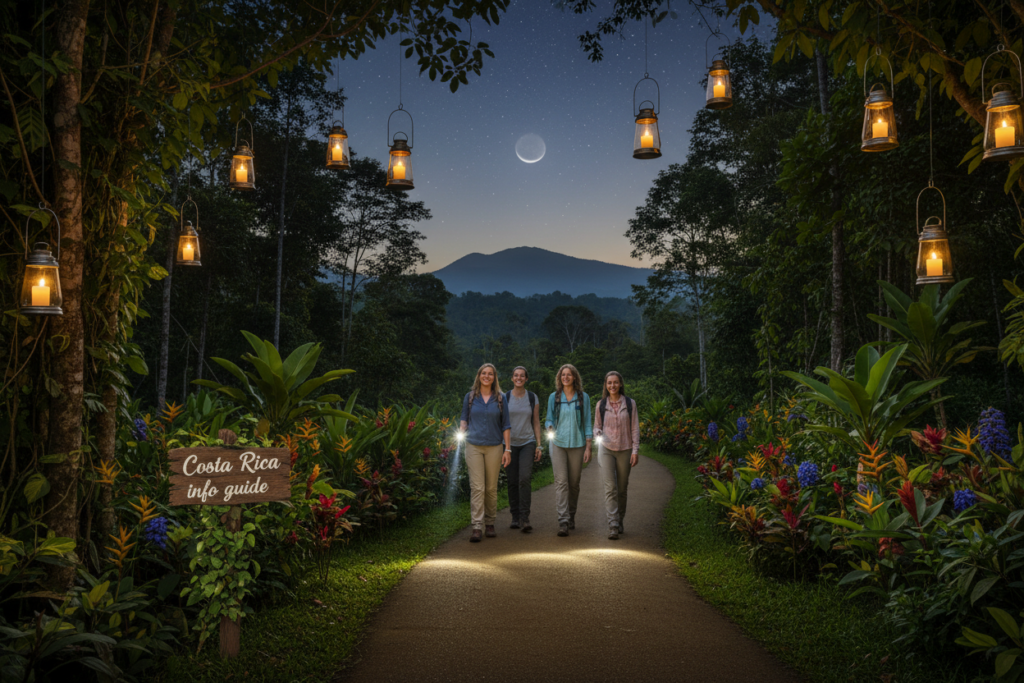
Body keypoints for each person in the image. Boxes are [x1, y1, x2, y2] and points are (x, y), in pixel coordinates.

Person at [459, 363, 511, 542]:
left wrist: (507, 449)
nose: (486, 376)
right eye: (484, 373)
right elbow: (464, 418)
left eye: (490, 374)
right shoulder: (471, 397)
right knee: (477, 487)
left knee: (490, 488)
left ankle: (490, 523)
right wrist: (462, 431)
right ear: (479, 375)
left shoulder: (500, 398)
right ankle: (476, 526)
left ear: (494, 377)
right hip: (473, 445)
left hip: (495, 447)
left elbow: (506, 425)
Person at [544, 363, 592, 537]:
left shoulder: (583, 397)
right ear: (559, 377)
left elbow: (587, 422)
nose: (566, 377)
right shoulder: (554, 397)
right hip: (558, 443)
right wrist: (549, 427)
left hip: (578, 444)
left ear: (574, 377)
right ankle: (563, 521)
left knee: (574, 484)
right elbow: (548, 418)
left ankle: (571, 516)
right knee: (561, 483)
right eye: (563, 374)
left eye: (569, 374)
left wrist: (588, 446)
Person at [592, 371, 639, 540]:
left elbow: (634, 428)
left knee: (622, 489)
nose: (612, 385)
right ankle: (612, 524)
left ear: (620, 384)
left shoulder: (630, 404)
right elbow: (596, 426)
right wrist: (597, 432)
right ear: (606, 385)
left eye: (615, 382)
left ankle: (620, 520)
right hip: (606, 449)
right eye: (609, 383)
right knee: (610, 488)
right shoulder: (601, 404)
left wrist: (635, 451)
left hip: (625, 449)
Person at [505, 366, 542, 533]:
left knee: (524, 478)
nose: (518, 378)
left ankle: (525, 517)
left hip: (527, 442)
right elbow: (501, 423)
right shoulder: (504, 398)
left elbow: (536, 422)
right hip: (509, 445)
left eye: (522, 376)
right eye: (516, 375)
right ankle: (515, 516)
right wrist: (502, 447)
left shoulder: (532, 398)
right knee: (512, 481)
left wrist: (539, 444)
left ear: (526, 379)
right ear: (512, 378)